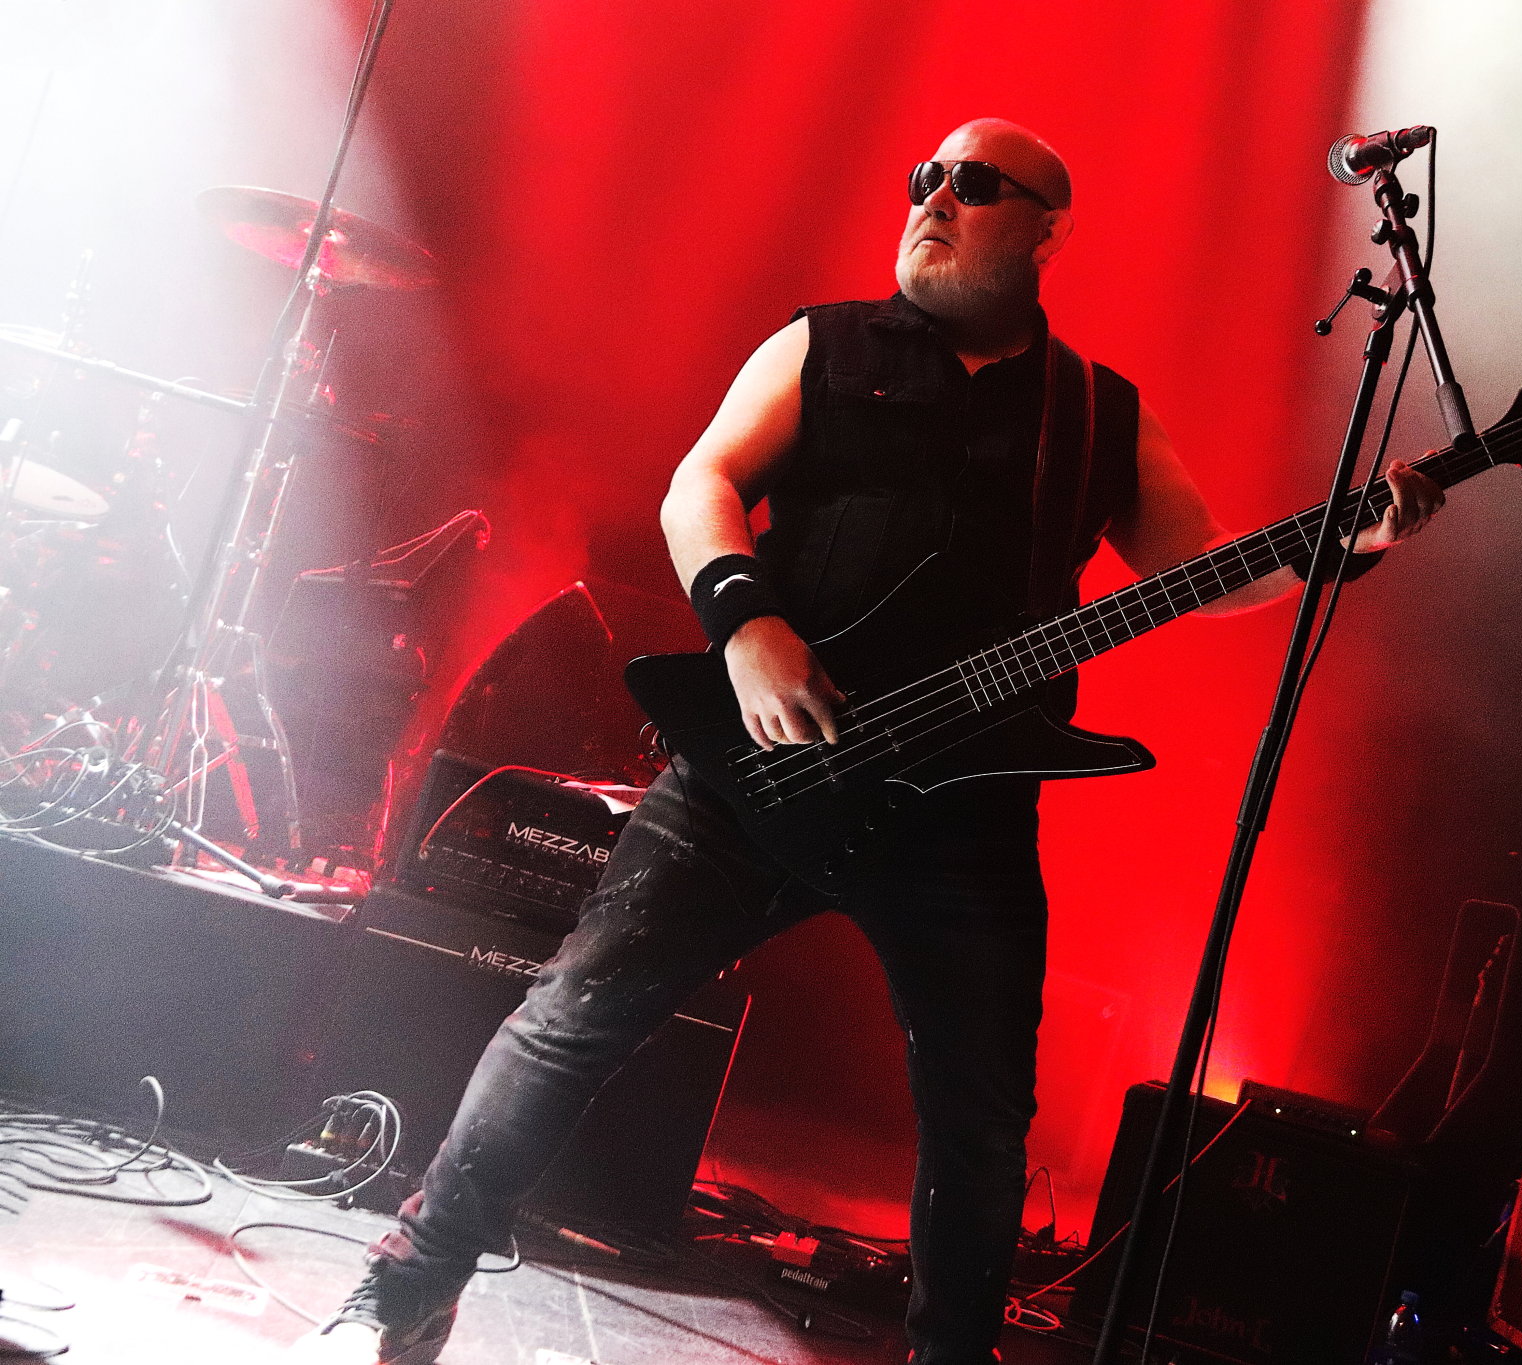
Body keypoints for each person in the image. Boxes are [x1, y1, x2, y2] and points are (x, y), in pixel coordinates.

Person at [298, 117, 1444, 1365]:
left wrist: (1351, 541)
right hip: (756, 770)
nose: (933, 198)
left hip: (960, 813)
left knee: (978, 1124)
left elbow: (1202, 568)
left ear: (1049, 231)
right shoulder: (823, 343)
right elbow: (701, 483)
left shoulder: (1093, 411)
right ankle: (413, 1281)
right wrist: (746, 625)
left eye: (974, 184)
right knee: (570, 1020)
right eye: (924, 178)